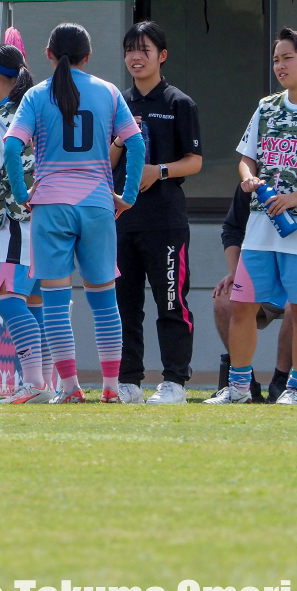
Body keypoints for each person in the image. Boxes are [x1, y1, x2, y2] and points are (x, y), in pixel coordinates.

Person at [4, 22, 145, 404]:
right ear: (88, 56)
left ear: (49, 55)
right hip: (98, 204)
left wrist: (22, 194)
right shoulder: (109, 92)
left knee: (54, 302)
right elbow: (136, 144)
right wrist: (127, 195)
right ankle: (112, 387)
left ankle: (69, 388)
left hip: (51, 206)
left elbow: (12, 149)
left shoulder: (35, 95)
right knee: (104, 302)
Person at [207, 28, 297, 406]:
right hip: (260, 227)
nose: (279, 65)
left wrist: (296, 196)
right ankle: (240, 388)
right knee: (242, 305)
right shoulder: (266, 107)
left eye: (287, 57)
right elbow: (247, 158)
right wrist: (249, 180)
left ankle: (296, 388)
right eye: (276, 59)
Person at [107, 21, 203, 405]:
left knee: (170, 301)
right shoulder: (117, 103)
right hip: (121, 219)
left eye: (144, 50)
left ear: (161, 56)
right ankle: (128, 380)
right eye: (130, 49)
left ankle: (175, 382)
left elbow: (194, 161)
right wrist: (119, 141)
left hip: (165, 220)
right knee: (124, 303)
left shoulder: (179, 103)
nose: (136, 57)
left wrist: (158, 171)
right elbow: (105, 159)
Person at [0, 29, 51, 403]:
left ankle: (33, 382)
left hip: (19, 221)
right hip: (52, 219)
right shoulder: (38, 111)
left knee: (7, 299)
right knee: (36, 303)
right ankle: (45, 382)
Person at [211, 181, 285, 402]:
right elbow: (232, 229)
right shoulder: (254, 182)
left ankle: (281, 384)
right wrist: (235, 272)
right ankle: (243, 383)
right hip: (261, 269)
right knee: (225, 298)